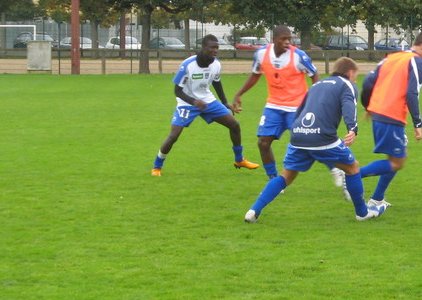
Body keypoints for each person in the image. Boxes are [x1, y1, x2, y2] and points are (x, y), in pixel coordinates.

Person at [244, 58, 386, 222]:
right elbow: (349, 106)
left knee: (287, 175)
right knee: (353, 168)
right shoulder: (347, 84)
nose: (355, 79)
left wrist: (298, 131)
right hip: (322, 137)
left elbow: (300, 110)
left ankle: (253, 210)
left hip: (298, 134)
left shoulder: (317, 85)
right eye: (356, 76)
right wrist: (352, 129)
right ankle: (362, 213)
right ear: (350, 72)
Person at [151, 34, 259, 176]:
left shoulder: (216, 64)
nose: (215, 50)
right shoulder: (188, 65)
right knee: (174, 135)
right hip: (186, 103)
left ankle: (239, 160)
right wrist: (194, 102)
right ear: (203, 47)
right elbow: (177, 91)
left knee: (234, 125)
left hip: (208, 101)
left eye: (217, 48)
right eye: (212, 47)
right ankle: (157, 167)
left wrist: (225, 102)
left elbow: (216, 82)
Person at [355, 31, 422, 208]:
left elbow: (369, 81)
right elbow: (412, 93)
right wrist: (418, 123)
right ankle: (352, 174)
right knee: (397, 161)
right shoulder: (417, 62)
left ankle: (377, 198)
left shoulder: (391, 57)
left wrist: (368, 107)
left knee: (396, 156)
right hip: (391, 115)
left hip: (380, 112)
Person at [231, 25, 322, 180]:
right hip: (273, 106)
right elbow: (255, 75)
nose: (287, 42)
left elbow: (315, 76)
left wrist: (315, 100)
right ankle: (273, 179)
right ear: (274, 39)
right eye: (283, 39)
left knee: (308, 142)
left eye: (289, 39)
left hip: (297, 107)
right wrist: (239, 93)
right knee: (263, 143)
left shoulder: (298, 56)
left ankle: (337, 165)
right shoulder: (261, 54)